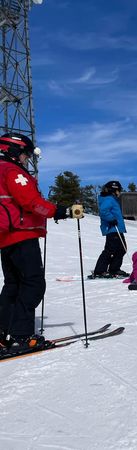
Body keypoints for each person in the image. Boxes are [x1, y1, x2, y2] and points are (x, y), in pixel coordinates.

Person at [0, 132, 71, 352]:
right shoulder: (11, 170)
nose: (25, 160)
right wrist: (58, 211)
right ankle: (22, 336)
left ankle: (3, 333)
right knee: (33, 284)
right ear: (12, 151)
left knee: (13, 285)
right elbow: (30, 201)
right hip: (21, 234)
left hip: (7, 236)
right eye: (24, 155)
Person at [92, 180, 129, 278]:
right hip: (112, 228)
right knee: (110, 250)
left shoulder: (112, 199)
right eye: (119, 190)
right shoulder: (109, 199)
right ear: (114, 190)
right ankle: (100, 271)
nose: (119, 193)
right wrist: (111, 219)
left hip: (117, 228)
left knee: (121, 249)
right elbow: (103, 211)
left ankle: (114, 269)